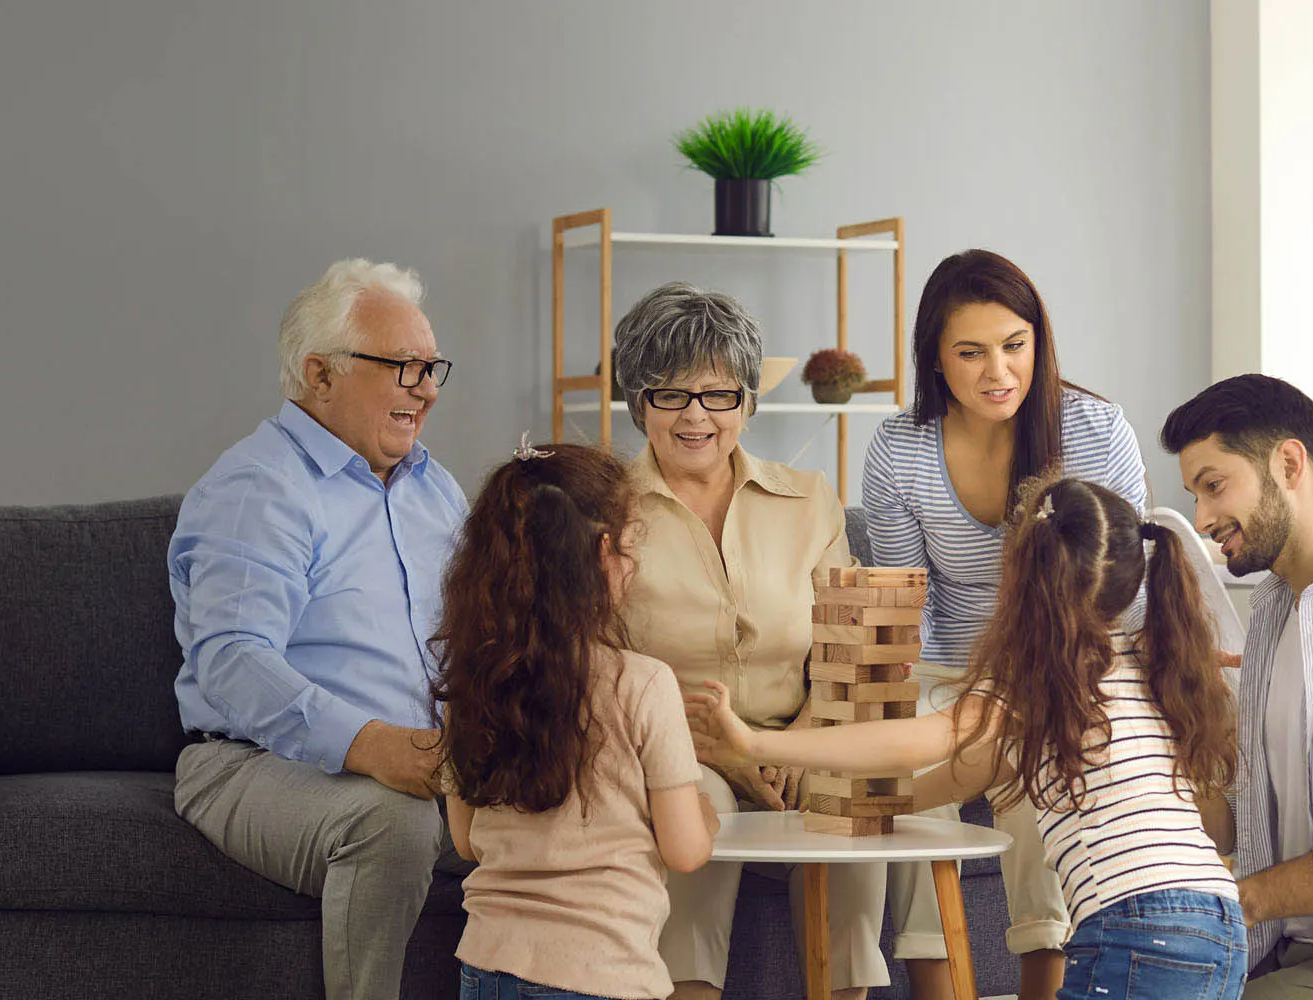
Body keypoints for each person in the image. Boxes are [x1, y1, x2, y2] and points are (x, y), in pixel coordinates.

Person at [690, 474, 1247, 1000]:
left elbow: (920, 740)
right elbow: (977, 768)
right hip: (1222, 920)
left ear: (1022, 580)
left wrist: (756, 744)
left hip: (1132, 926)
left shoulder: (1038, 680)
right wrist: (879, 806)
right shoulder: (1154, 663)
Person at [612, 282, 938, 1000]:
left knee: (853, 796)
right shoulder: (604, 507)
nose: (697, 416)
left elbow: (844, 645)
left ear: (748, 402)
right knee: (690, 812)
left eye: (719, 394)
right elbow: (602, 667)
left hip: (802, 738)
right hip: (675, 749)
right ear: (639, 403)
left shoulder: (807, 496)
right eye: (670, 394)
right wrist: (717, 750)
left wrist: (801, 737)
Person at [168, 259, 465, 1000]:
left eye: (431, 369)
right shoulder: (258, 486)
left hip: (431, 759)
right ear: (320, 375)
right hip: (252, 764)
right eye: (402, 367)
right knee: (392, 822)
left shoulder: (437, 488)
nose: (426, 390)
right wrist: (372, 745)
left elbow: (475, 640)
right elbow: (232, 661)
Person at [861, 249, 1149, 999]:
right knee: (912, 752)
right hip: (944, 665)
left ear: (1038, 341)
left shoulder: (1094, 429)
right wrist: (900, 692)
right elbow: (902, 605)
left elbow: (1124, 589)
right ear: (934, 358)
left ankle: (1040, 981)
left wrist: (1039, 679)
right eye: (971, 352)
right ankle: (933, 983)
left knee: (1033, 740)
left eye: (1015, 345)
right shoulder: (900, 448)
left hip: (1064, 658)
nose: (999, 371)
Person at [434, 440, 718, 1000]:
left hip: (485, 967)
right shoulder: (642, 683)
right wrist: (703, 811)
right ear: (604, 551)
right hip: (600, 975)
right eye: (632, 545)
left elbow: (466, 842)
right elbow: (686, 850)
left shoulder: (471, 683)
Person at [1162, 374, 1313, 999]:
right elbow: (1250, 821)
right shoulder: (1274, 603)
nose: (1203, 518)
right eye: (1195, 495)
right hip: (1276, 949)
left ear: (1289, 463)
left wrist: (1243, 901)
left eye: (1214, 487)